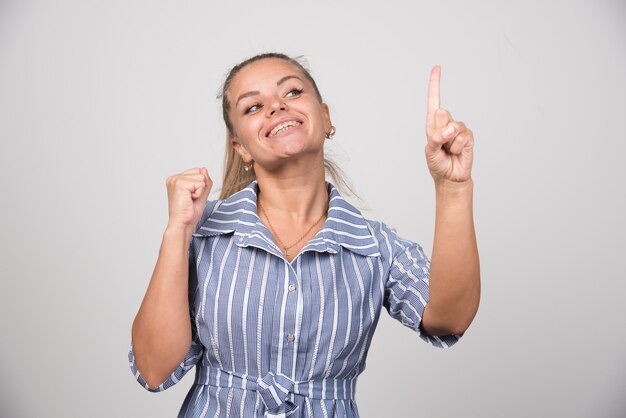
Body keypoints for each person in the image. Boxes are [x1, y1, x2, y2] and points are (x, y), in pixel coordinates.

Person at [128, 52, 480, 417]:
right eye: (253, 107)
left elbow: (449, 318)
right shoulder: (202, 232)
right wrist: (177, 231)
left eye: (292, 92)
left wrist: (453, 188)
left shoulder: (375, 247)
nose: (276, 107)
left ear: (325, 118)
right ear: (241, 148)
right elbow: (154, 368)